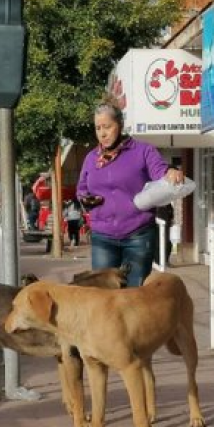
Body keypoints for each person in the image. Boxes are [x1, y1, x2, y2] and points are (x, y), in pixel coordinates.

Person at [77, 98, 184, 286]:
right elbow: (82, 189)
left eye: (107, 126)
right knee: (103, 296)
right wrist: (86, 199)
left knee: (135, 295)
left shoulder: (142, 151)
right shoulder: (90, 158)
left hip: (138, 235)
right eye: (98, 128)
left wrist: (170, 171)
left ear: (119, 125)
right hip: (103, 236)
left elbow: (160, 171)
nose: (102, 133)